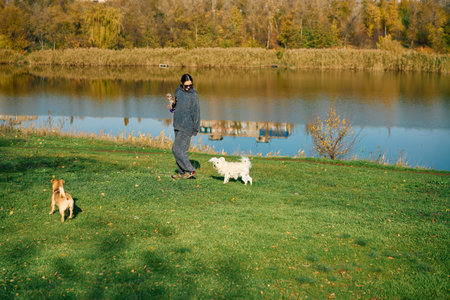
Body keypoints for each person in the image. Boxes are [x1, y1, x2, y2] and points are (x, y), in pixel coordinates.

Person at [167, 74, 200, 179]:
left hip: (187, 127)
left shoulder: (193, 94)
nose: (188, 87)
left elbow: (196, 112)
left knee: (175, 149)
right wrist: (172, 105)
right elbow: (174, 108)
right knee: (182, 152)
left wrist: (195, 128)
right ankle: (182, 173)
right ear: (182, 84)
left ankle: (190, 170)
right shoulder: (178, 91)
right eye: (186, 85)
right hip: (177, 124)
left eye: (190, 85)